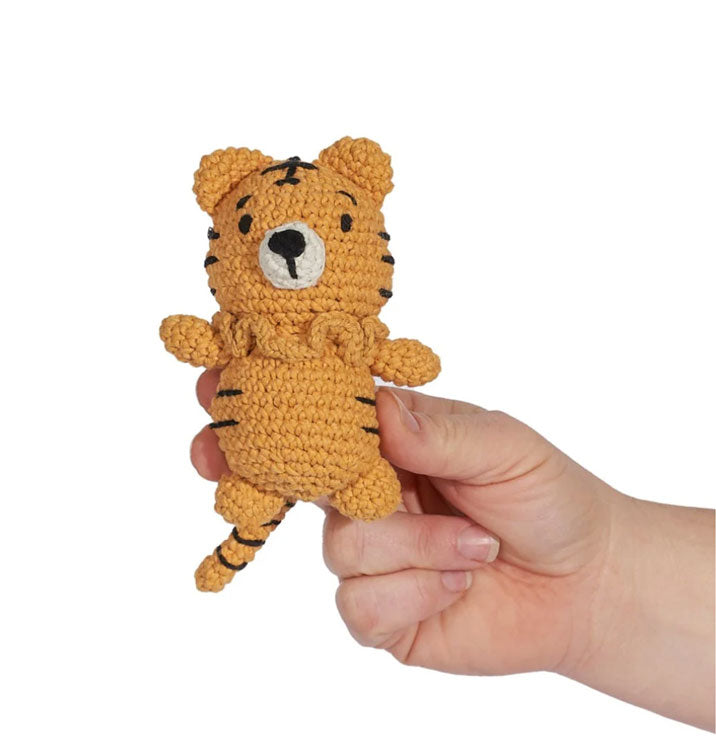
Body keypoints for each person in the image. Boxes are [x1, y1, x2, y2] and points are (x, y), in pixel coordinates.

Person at [191, 371, 715, 731]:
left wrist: (596, 578)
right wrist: (598, 574)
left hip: (352, 464)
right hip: (274, 461)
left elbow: (412, 362)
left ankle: (242, 540)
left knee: (367, 499)